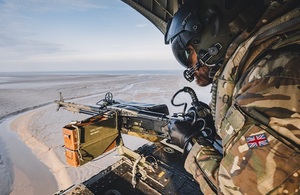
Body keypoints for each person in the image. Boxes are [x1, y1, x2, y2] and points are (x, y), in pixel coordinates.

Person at [165, 0, 300, 194]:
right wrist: (230, 127)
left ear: (212, 35)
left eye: (188, 53)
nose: (189, 66)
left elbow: (236, 190)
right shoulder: (273, 57)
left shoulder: (271, 78)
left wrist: (190, 142)